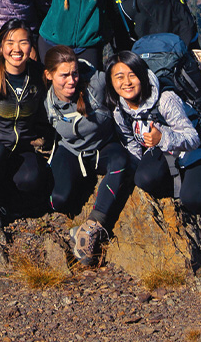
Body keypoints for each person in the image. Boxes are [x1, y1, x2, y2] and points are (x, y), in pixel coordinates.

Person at [105, 51, 201, 248]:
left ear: (143, 75)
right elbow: (130, 142)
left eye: (132, 75)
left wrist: (163, 138)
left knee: (193, 197)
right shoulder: (120, 109)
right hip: (168, 153)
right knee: (143, 179)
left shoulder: (165, 99)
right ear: (110, 81)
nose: (126, 83)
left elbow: (192, 138)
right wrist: (133, 170)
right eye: (119, 77)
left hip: (199, 152)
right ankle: (184, 194)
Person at [44, 46, 128, 266]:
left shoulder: (95, 83)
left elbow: (125, 78)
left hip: (103, 147)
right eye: (64, 75)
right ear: (49, 75)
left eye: (74, 73)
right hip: (71, 151)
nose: (71, 80)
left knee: (120, 162)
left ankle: (91, 227)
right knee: (59, 201)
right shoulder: (46, 102)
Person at [0, 20, 51, 227]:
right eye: (10, 42)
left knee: (32, 178)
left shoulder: (38, 75)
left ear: (31, 46)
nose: (16, 49)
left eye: (23, 42)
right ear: (0, 46)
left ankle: (6, 200)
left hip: (22, 148)